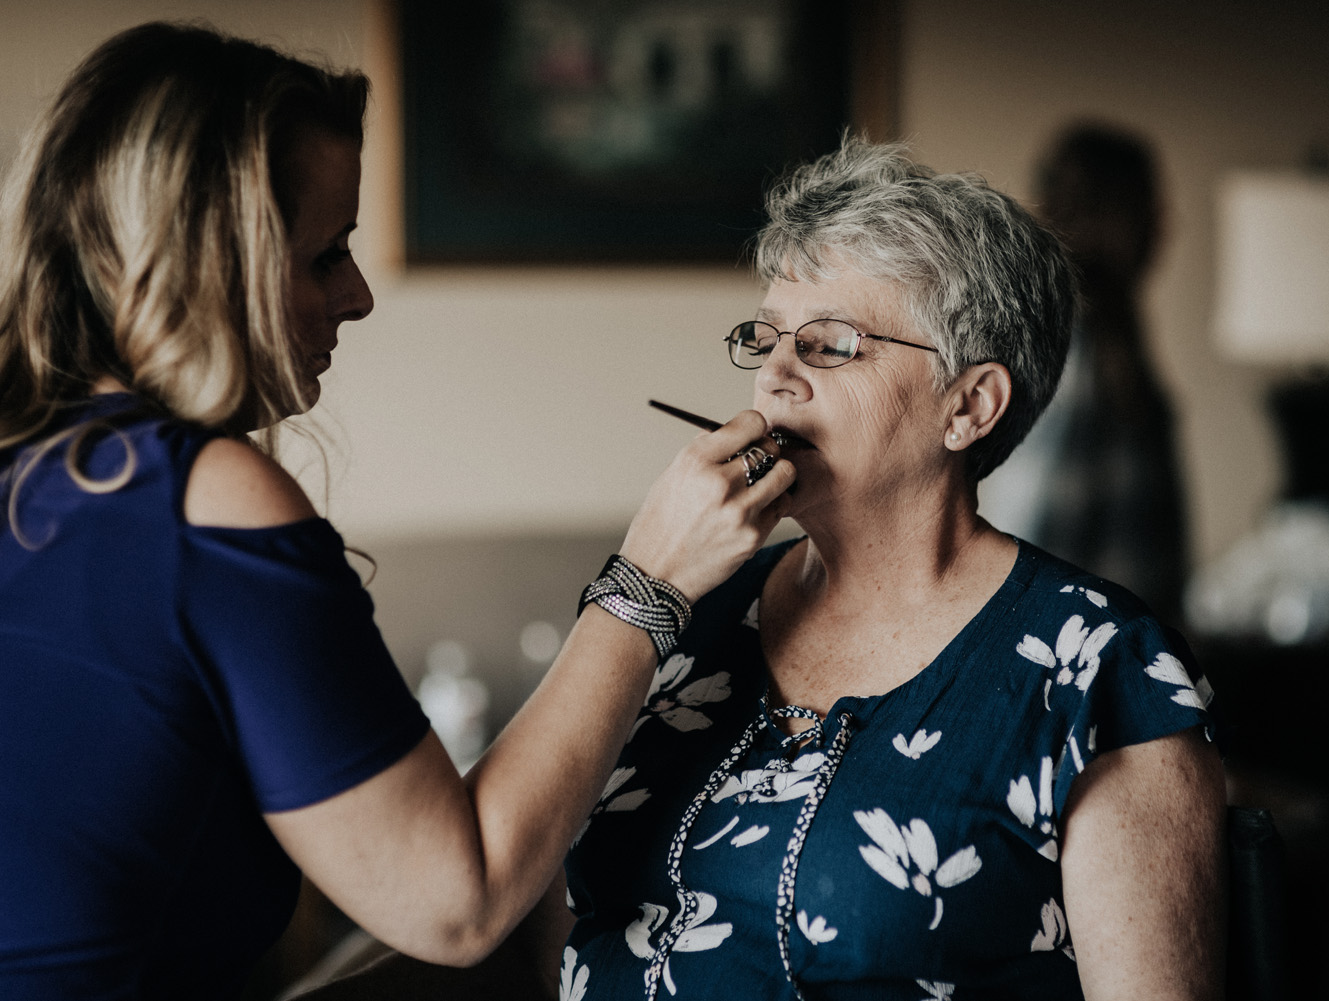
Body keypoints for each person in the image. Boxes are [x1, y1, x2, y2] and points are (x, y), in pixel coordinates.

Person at [308, 137, 1225, 1000]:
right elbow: (541, 913)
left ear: (970, 406)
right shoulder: (683, 612)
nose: (775, 376)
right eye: (768, 337)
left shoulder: (1099, 674)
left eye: (829, 344)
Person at [0, 22, 794, 1000]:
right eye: (326, 254)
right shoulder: (197, 496)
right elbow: (453, 900)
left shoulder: (33, 472)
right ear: (211, 260)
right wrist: (651, 579)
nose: (361, 294)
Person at [981, 122, 1189, 622]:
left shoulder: (1116, 330)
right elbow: (1030, 531)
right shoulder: (1070, 347)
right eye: (1152, 207)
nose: (1167, 224)